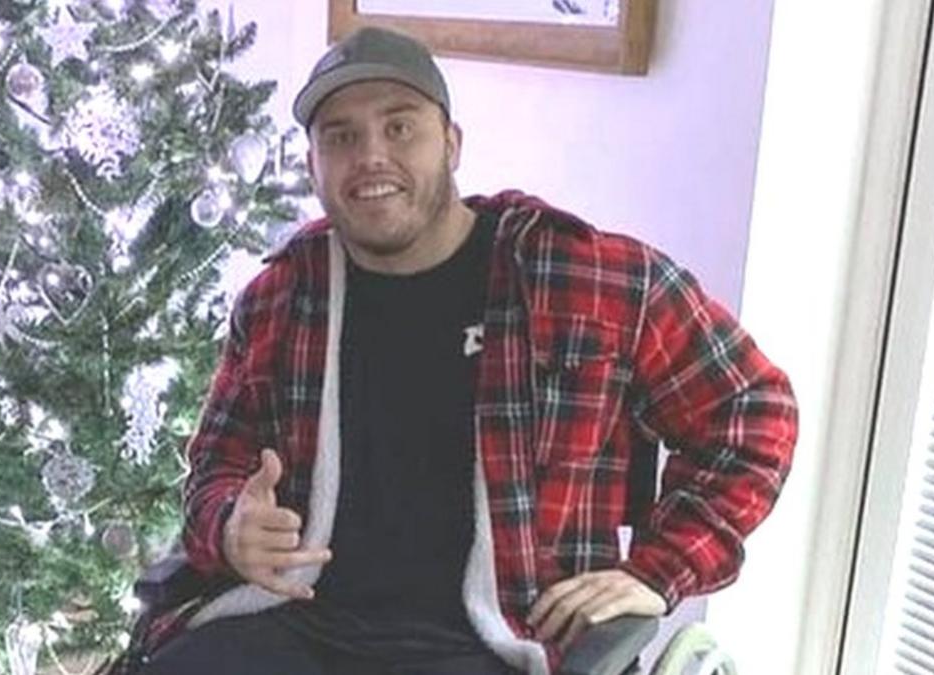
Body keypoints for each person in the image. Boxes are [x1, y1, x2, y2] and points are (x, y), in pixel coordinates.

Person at [139, 25, 798, 675]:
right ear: (313, 164)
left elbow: (752, 410)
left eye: (400, 127)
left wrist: (660, 570)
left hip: (500, 639)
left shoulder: (584, 277)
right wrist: (230, 526)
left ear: (451, 144)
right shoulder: (282, 297)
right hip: (300, 622)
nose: (371, 156)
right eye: (341, 136)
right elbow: (218, 464)